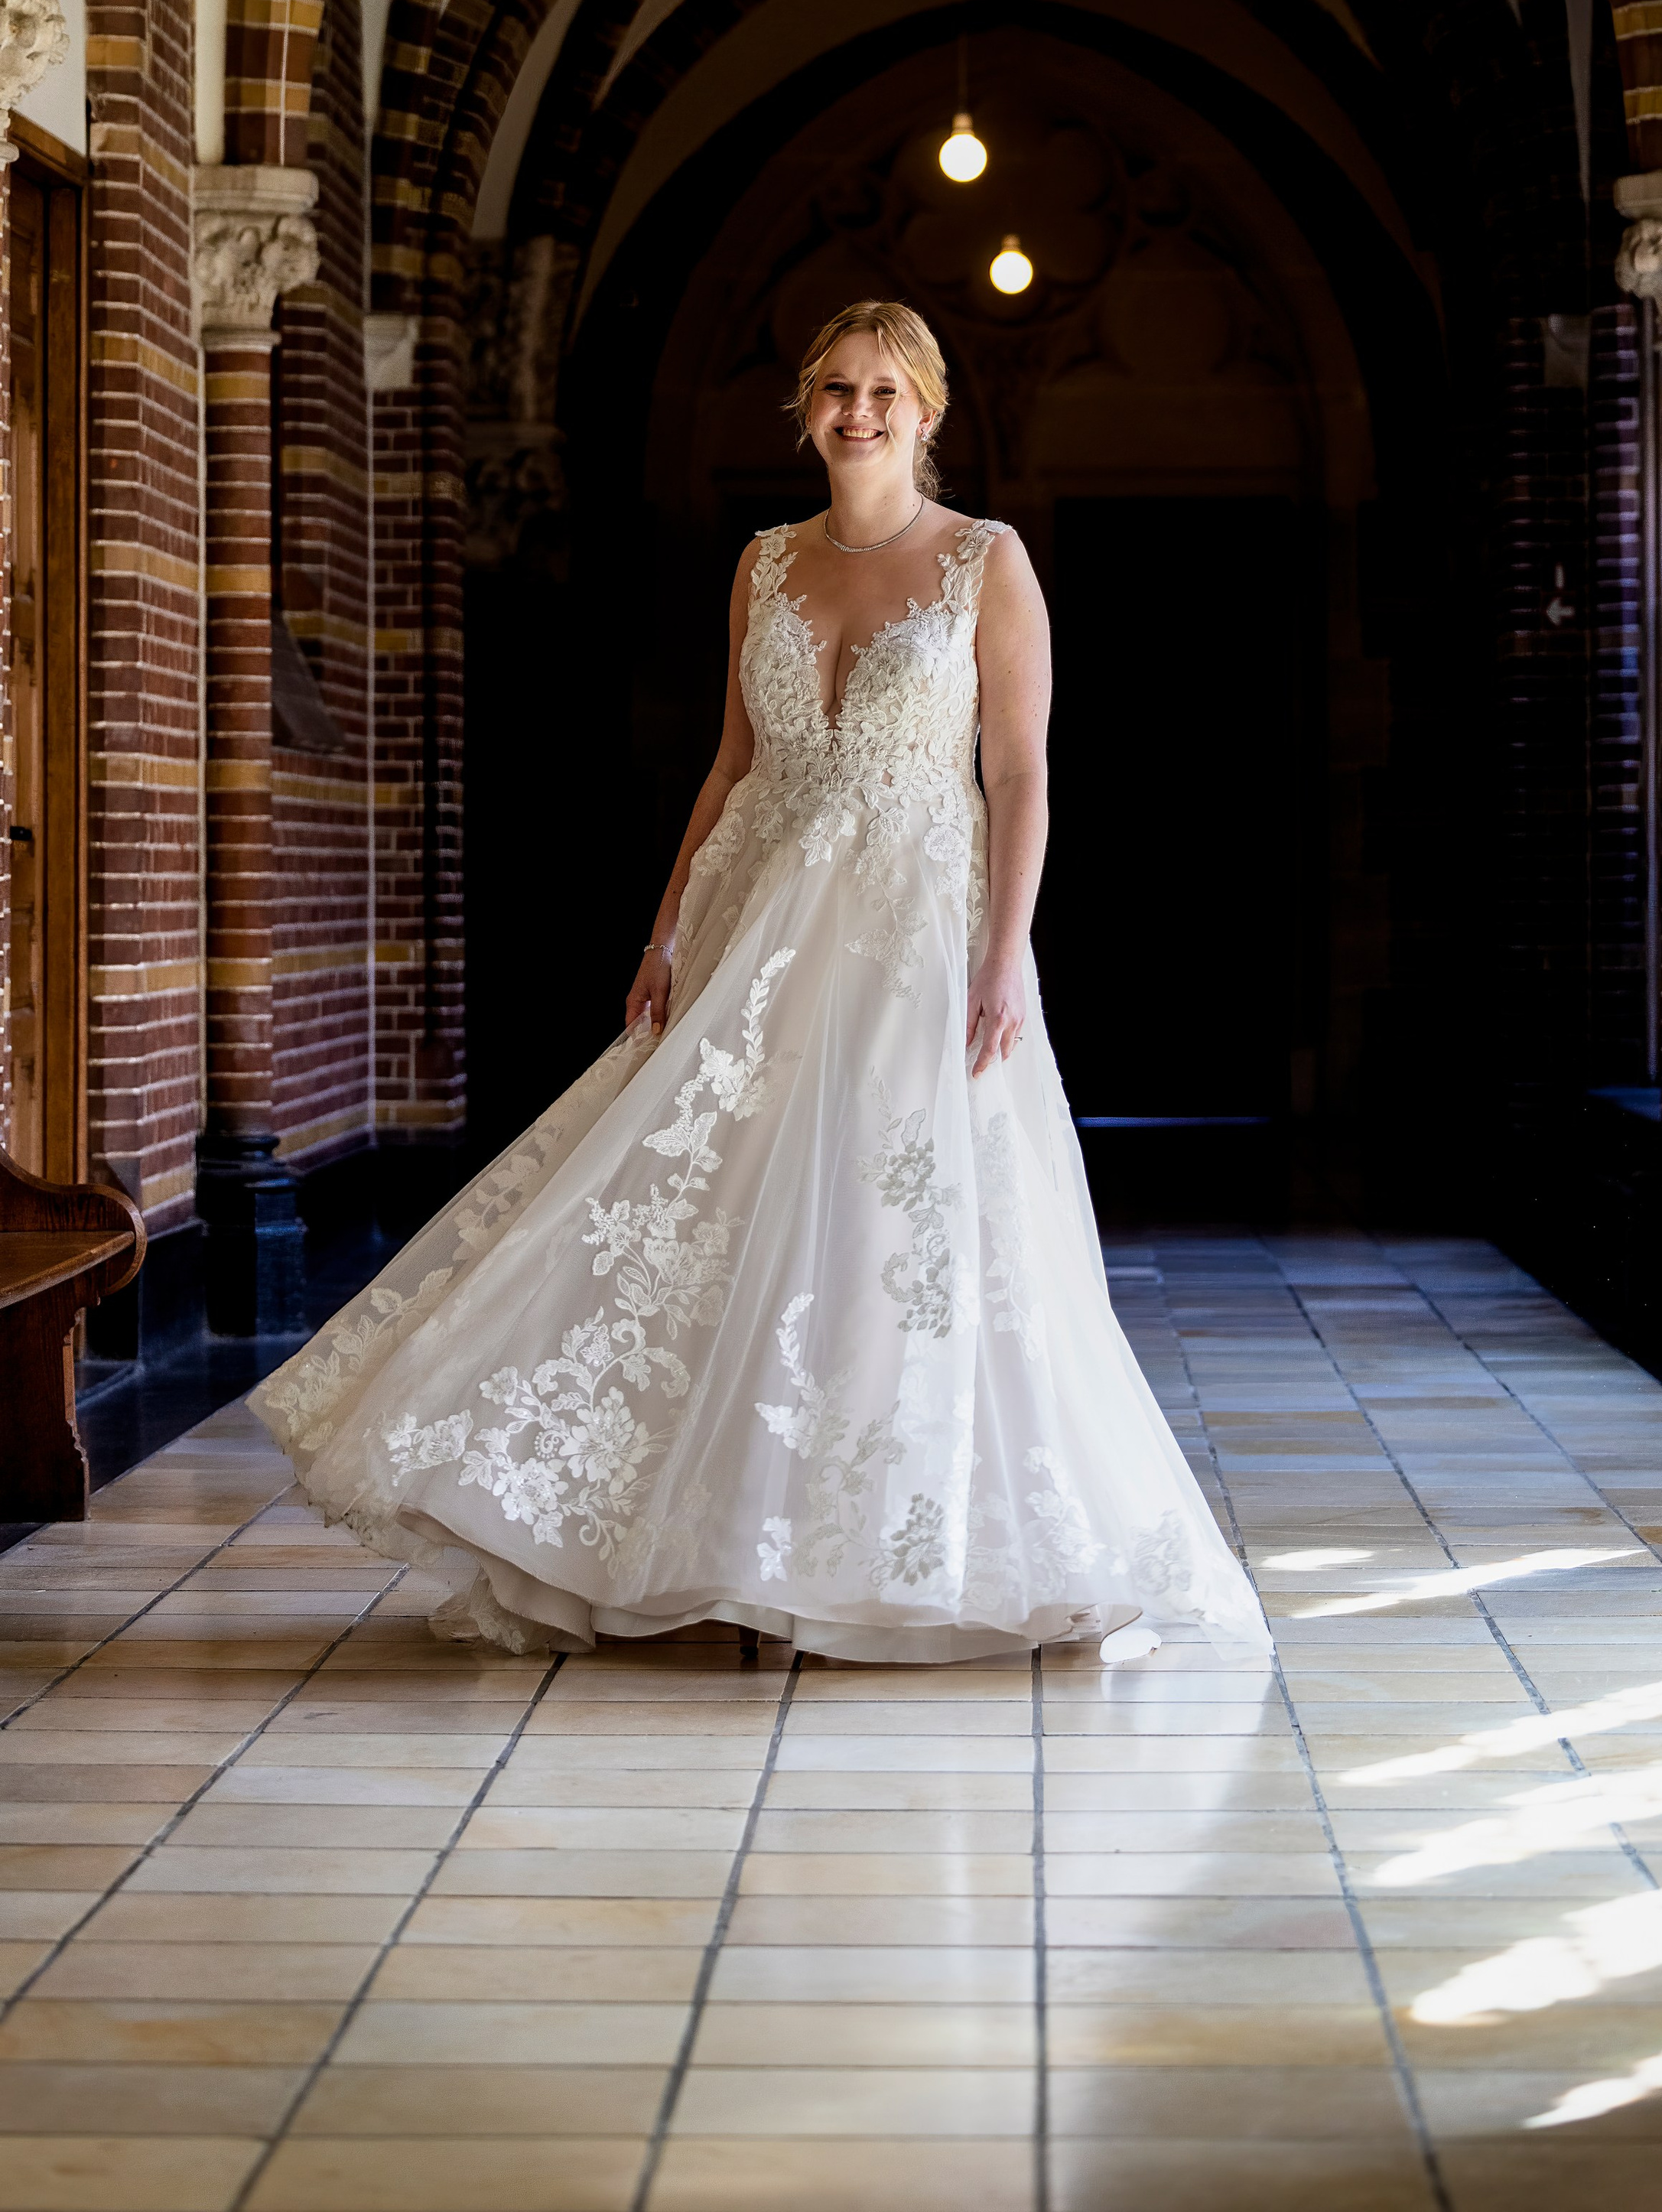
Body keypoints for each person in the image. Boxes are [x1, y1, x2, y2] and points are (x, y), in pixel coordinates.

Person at [252, 300, 1264, 1663]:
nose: (859, 412)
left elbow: (1019, 774)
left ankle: (854, 1558)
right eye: (838, 389)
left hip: (918, 935)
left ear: (930, 411)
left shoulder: (987, 562)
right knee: (703, 1207)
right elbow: (734, 765)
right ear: (806, 406)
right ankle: (719, 1548)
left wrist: (1007, 944)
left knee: (883, 1229)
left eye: (885, 392)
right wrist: (667, 927)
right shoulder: (762, 565)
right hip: (759, 930)